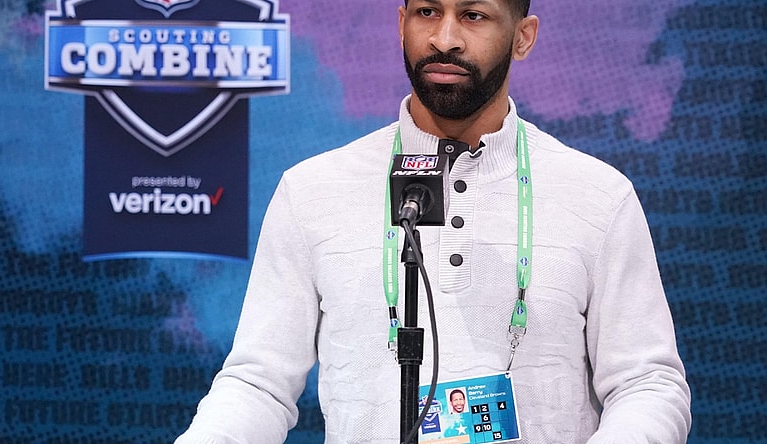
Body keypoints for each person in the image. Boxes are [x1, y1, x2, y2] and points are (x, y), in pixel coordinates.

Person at [175, 0, 692, 443]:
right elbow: (259, 384)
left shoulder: (598, 195)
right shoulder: (312, 190)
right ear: (401, 24)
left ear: (523, 37)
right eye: (427, 12)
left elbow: (647, 383)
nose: (445, 38)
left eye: (473, 15)